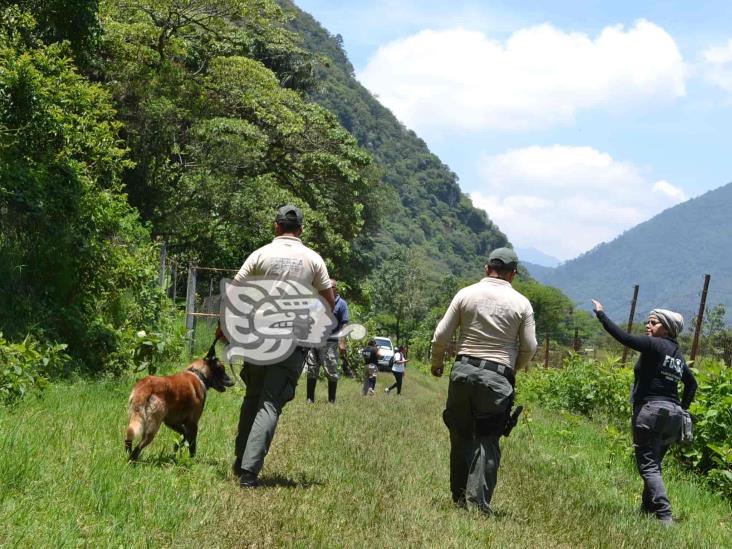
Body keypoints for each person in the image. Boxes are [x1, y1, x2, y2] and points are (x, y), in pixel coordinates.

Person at [230, 204, 335, 488]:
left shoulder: (260, 254)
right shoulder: (313, 259)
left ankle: (240, 462)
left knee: (252, 397)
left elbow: (235, 290)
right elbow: (329, 299)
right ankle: (249, 473)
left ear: (276, 227)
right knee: (269, 403)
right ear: (300, 230)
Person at [431, 247, 537, 515]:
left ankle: (458, 499)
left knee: (460, 434)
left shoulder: (466, 294)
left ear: (486, 268)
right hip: (498, 375)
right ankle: (479, 504)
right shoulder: (521, 303)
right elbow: (529, 346)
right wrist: (512, 369)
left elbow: (441, 335)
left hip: (463, 370)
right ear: (513, 274)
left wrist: (437, 363)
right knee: (488, 439)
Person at [591, 299, 697, 525]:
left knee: (648, 466)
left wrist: (601, 314)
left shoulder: (656, 345)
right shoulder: (677, 355)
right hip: (673, 415)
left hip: (650, 411)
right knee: (655, 465)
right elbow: (692, 384)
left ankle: (664, 515)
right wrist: (683, 408)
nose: (648, 326)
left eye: (653, 323)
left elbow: (625, 338)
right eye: (648, 322)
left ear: (666, 328)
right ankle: (646, 509)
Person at [305, 279, 350, 403]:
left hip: (330, 342)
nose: (328, 289)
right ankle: (309, 399)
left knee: (331, 370)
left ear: (336, 289)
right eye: (326, 287)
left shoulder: (341, 304)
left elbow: (344, 324)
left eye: (331, 287)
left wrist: (342, 342)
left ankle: (331, 400)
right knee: (312, 369)